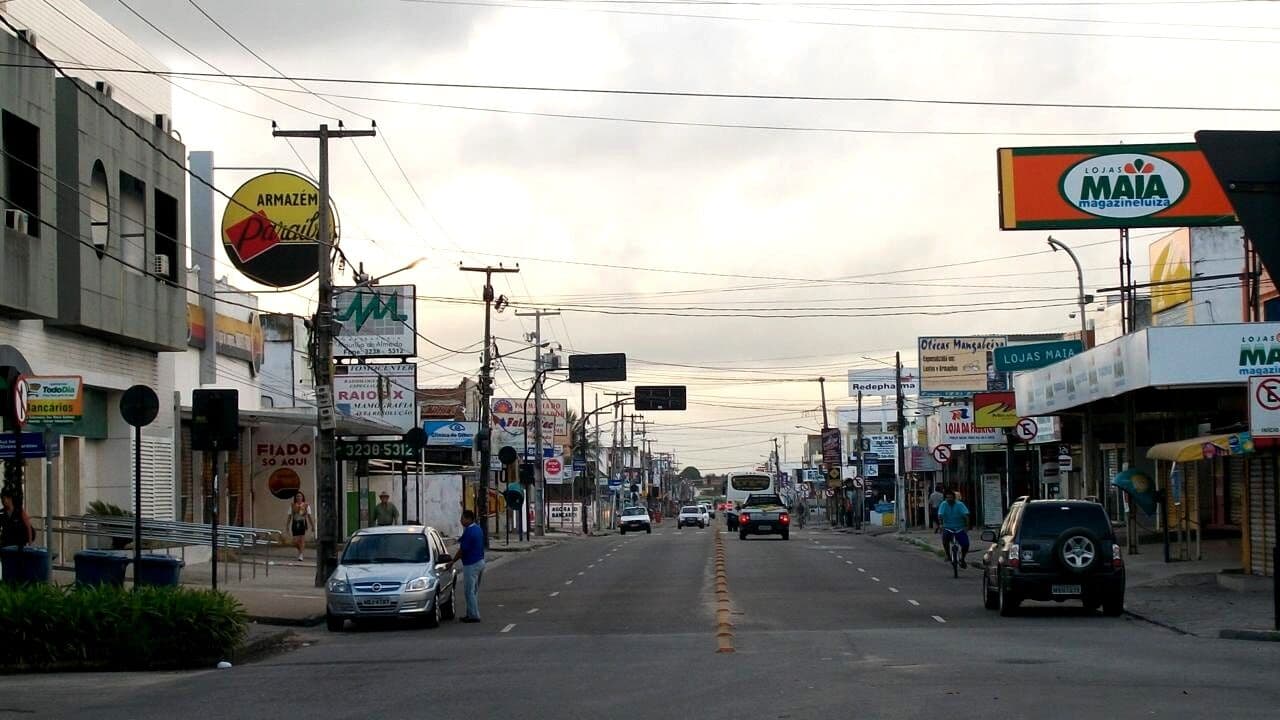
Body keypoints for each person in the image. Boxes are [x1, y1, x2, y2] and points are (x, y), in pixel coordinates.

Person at [450, 509, 485, 623]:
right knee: (474, 590)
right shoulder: (477, 529)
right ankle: (471, 612)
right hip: (480, 561)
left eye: (463, 518)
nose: (461, 520)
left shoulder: (469, 532)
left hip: (471, 563)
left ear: (469, 519)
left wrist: (452, 561)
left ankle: (474, 615)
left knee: (469, 591)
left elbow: (462, 550)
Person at [937, 489, 971, 568]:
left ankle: (962, 559)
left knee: (966, 544)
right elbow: (940, 515)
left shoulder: (960, 504)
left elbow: (966, 515)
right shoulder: (943, 504)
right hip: (948, 527)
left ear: (954, 498)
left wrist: (967, 526)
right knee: (945, 539)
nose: (949, 499)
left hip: (960, 527)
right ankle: (948, 555)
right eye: (947, 498)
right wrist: (941, 524)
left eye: (951, 497)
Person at [287, 492, 313, 562]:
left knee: (302, 540)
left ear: (302, 497)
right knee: (295, 541)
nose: (298, 498)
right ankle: (300, 550)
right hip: (295, 523)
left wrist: (312, 526)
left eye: (300, 496)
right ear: (295, 498)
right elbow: (289, 516)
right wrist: (287, 525)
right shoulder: (292, 505)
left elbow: (309, 516)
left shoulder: (306, 505)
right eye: (297, 496)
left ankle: (301, 554)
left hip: (302, 523)